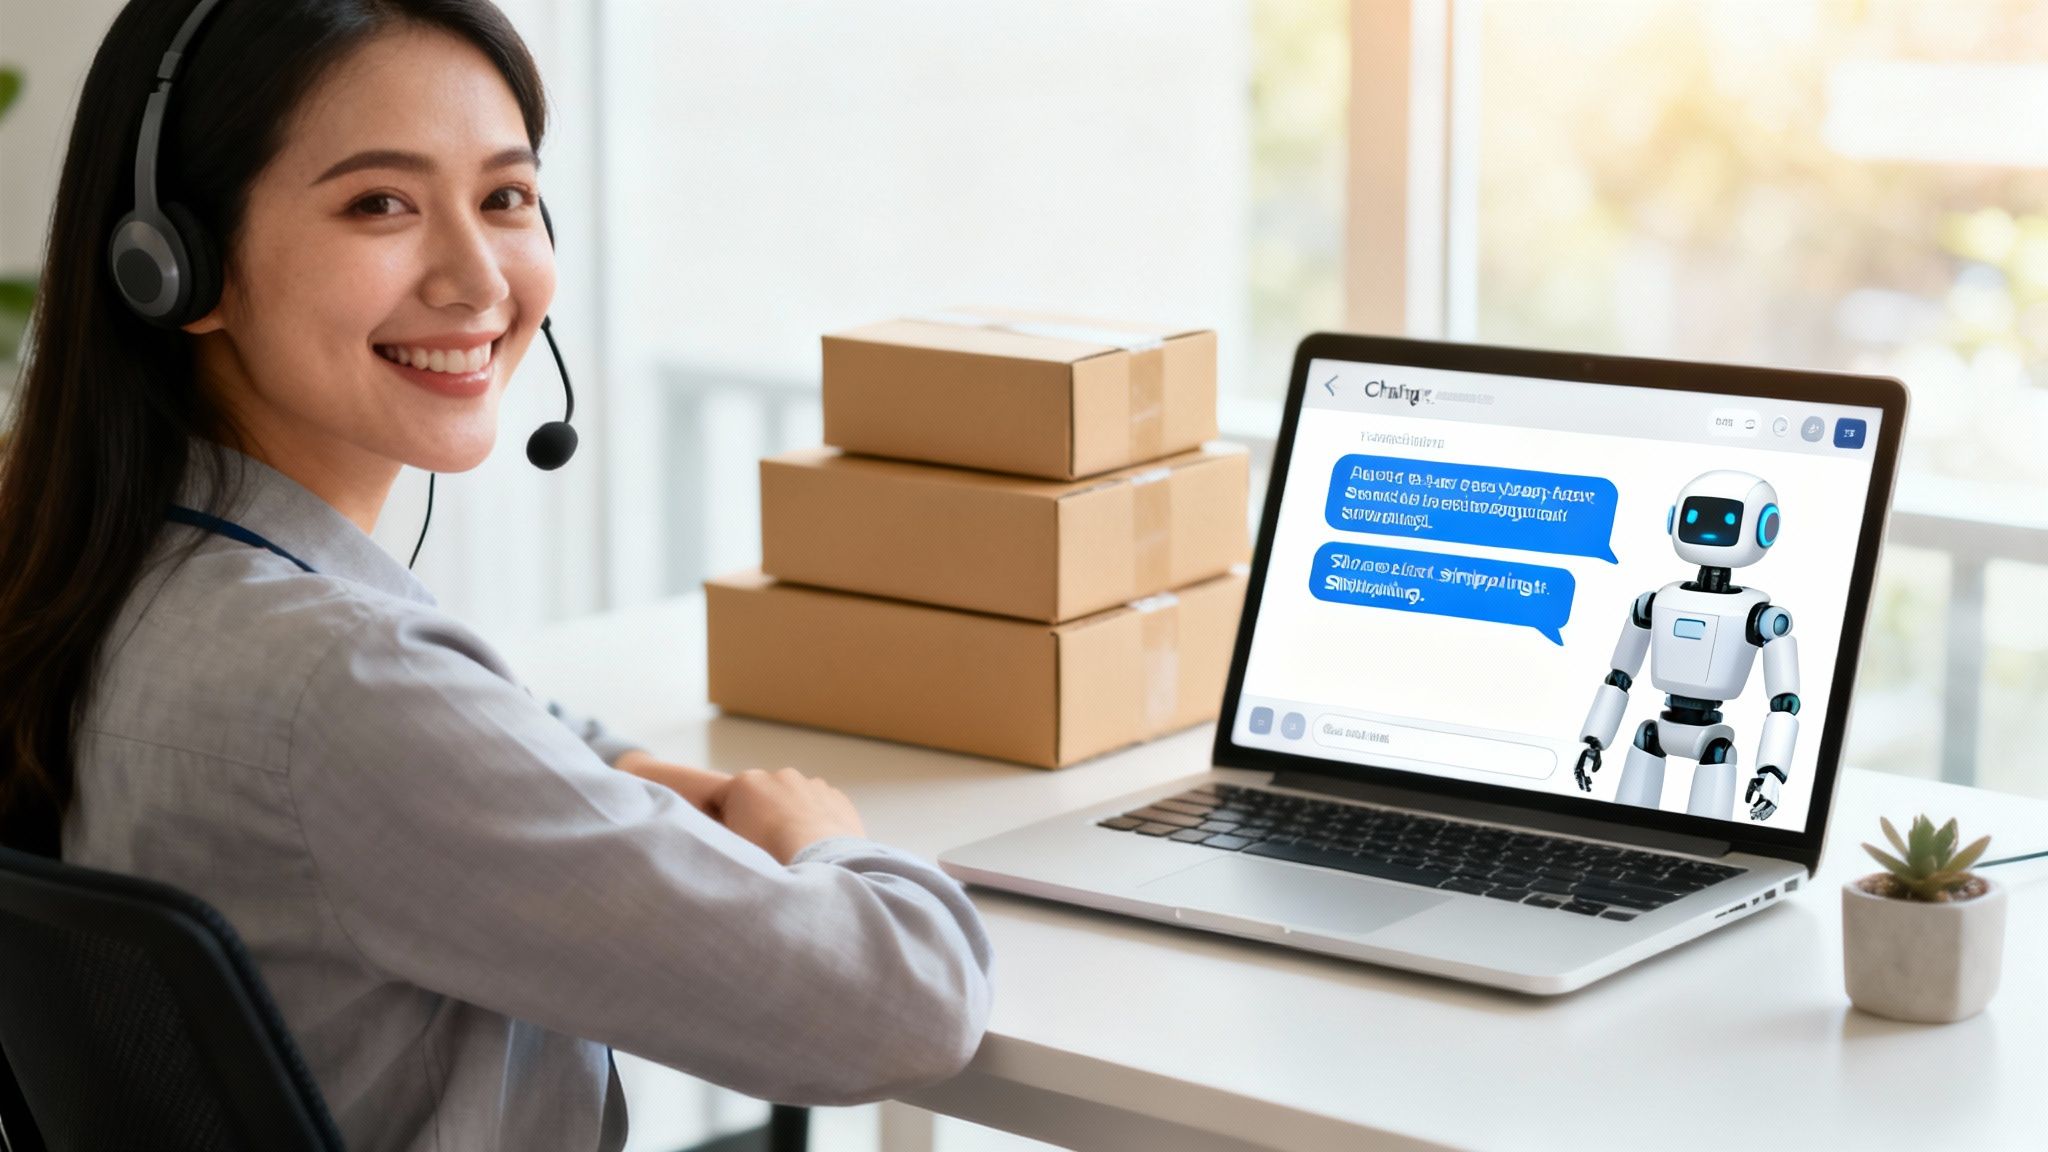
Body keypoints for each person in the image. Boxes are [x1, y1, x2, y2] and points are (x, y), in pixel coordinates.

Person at [0, 2, 993, 1149]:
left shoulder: (104, 571)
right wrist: (820, 837)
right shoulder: (339, 683)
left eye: (505, 197)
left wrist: (620, 784)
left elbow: (485, 723)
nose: (477, 280)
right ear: (177, 260)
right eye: (381, 203)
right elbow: (901, 1008)